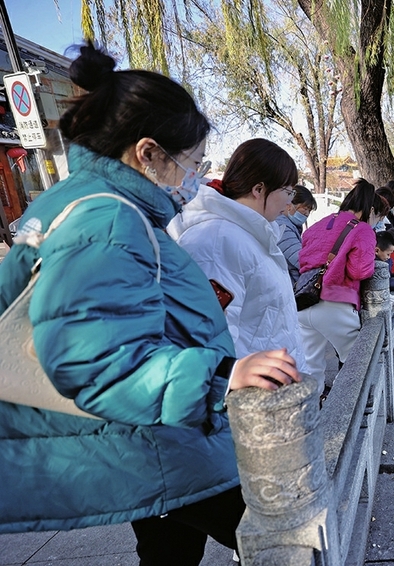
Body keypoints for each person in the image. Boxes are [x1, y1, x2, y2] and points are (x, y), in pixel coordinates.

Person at [0, 43, 298, 564]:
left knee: (169, 552)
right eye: (191, 162)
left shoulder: (87, 202)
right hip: (156, 434)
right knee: (289, 534)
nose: (194, 176)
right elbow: (93, 360)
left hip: (152, 431)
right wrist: (223, 377)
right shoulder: (108, 220)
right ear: (147, 153)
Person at [168, 138, 306, 371]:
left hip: (275, 388)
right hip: (253, 396)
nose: (289, 201)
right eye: (288, 191)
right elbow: (209, 341)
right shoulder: (216, 241)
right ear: (259, 189)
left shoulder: (253, 235)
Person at [298, 179, 390, 383]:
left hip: (304, 302)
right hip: (335, 305)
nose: (377, 222)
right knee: (358, 366)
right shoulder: (363, 229)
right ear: (372, 210)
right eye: (379, 217)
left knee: (310, 368)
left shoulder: (319, 224)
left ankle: (311, 412)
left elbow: (303, 258)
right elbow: (360, 271)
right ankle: (349, 414)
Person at [276, 185, 318, 285]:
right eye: (305, 208)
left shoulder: (290, 226)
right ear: (289, 204)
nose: (307, 213)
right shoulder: (283, 228)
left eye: (309, 210)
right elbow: (300, 260)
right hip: (287, 284)